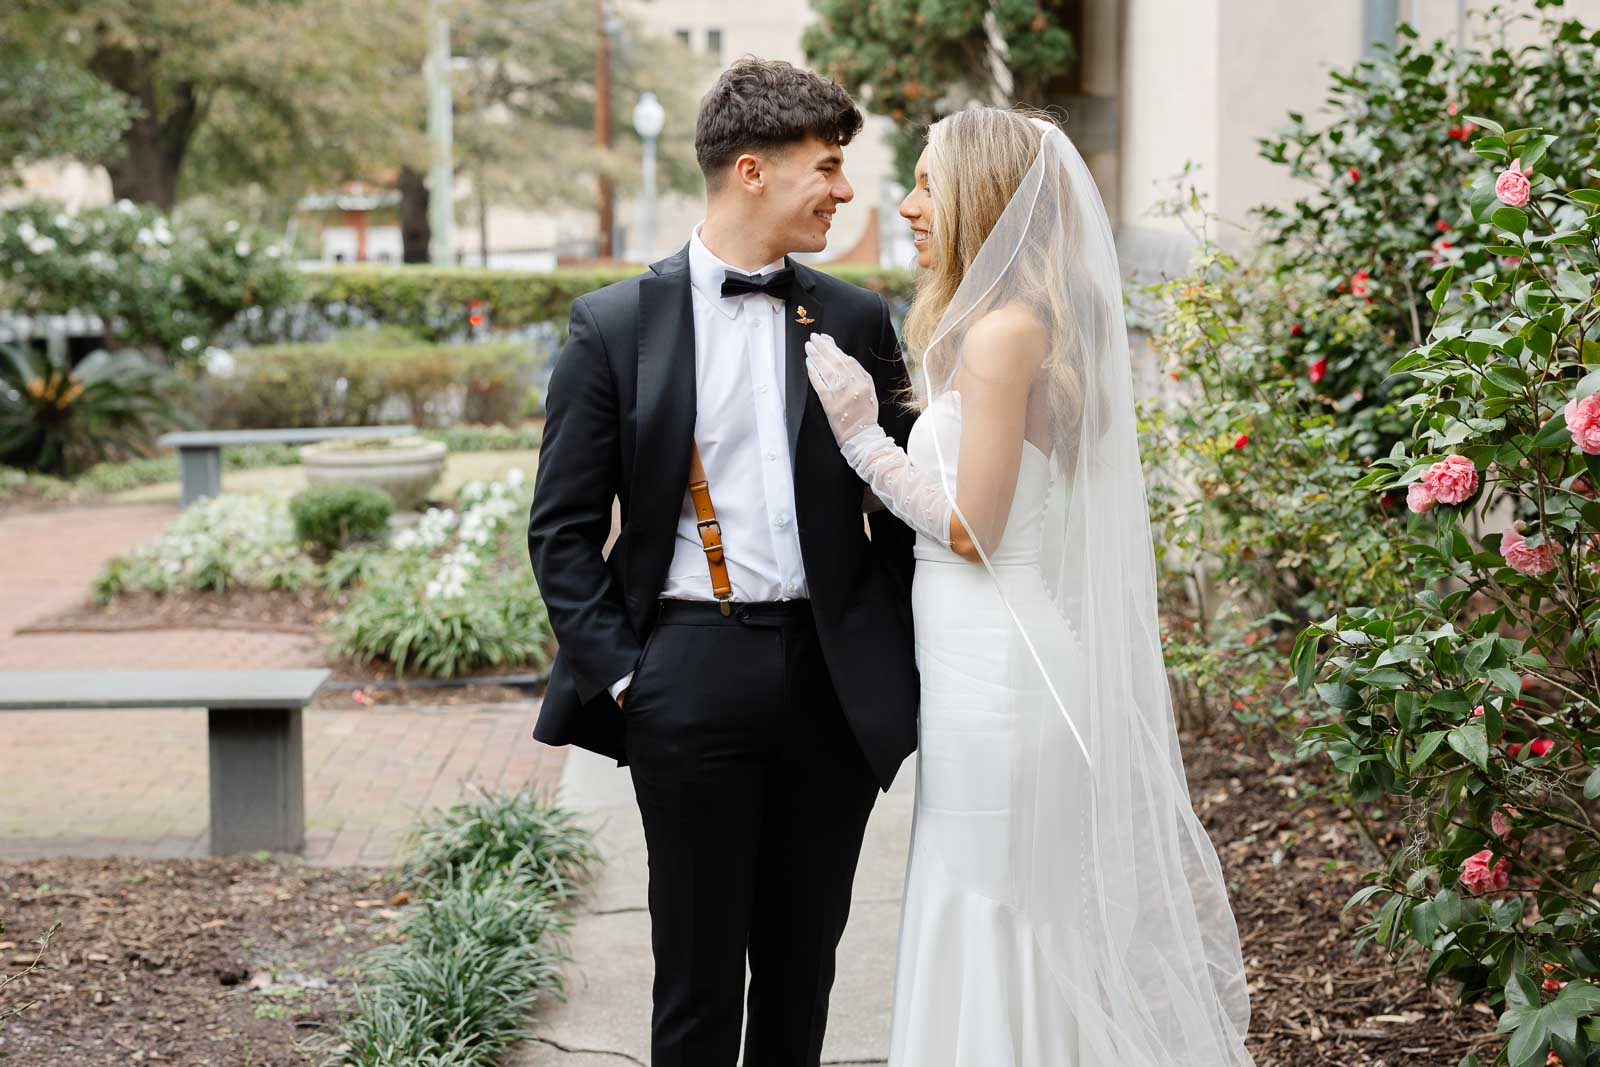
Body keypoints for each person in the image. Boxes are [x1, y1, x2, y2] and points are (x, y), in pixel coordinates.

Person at [804, 105, 1256, 1065]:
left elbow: (973, 530)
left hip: (1002, 668)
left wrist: (859, 438)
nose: (911, 204)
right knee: (993, 897)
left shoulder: (1003, 333)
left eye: (928, 183)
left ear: (980, 198)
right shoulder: (1013, 320)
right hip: (982, 659)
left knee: (995, 902)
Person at [526, 58, 919, 1067]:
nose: (843, 191)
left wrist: (899, 655)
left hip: (828, 676)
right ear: (751, 170)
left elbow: (908, 505)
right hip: (686, 666)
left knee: (802, 974)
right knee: (696, 978)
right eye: (828, 167)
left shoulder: (857, 317)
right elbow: (563, 527)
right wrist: (624, 673)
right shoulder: (614, 324)